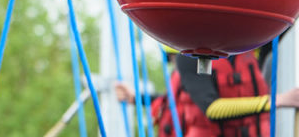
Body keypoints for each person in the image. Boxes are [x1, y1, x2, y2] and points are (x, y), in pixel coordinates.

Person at [110, 48, 299, 136]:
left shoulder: (249, 49)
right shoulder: (189, 57)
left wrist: (137, 98)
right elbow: (211, 108)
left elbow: (175, 100)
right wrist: (277, 101)